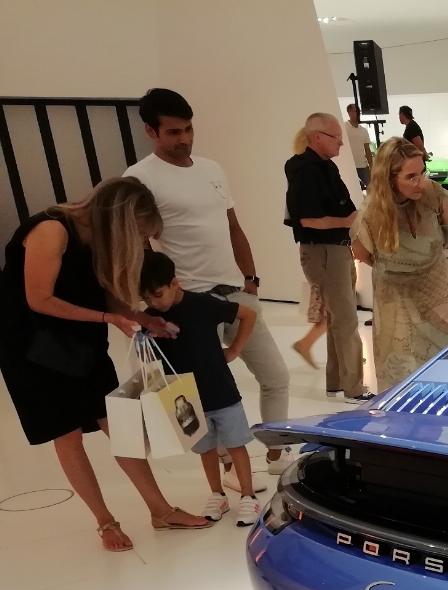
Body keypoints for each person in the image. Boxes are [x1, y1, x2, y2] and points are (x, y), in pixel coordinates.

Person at [0, 178, 211, 551]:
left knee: (118, 423)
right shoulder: (52, 230)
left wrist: (141, 319)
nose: (138, 242)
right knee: (67, 434)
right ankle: (105, 521)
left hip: (82, 343)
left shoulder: (97, 239)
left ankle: (160, 510)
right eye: (138, 232)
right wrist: (107, 319)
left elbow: (103, 293)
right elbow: (39, 299)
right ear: (121, 219)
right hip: (33, 349)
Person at [125, 87, 292, 492]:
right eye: (173, 132)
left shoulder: (212, 169)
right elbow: (139, 247)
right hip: (187, 302)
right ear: (151, 131)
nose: (184, 139)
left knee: (275, 376)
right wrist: (152, 306)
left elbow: (232, 226)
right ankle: (225, 463)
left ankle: (275, 452)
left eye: (188, 129)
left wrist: (251, 279)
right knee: (202, 394)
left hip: (234, 291)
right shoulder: (140, 178)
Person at [140, 251, 261, 526]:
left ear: (175, 283)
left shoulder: (202, 304)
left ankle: (248, 495)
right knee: (204, 448)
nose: (153, 303)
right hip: (184, 398)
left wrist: (235, 349)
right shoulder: (150, 318)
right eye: (146, 298)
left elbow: (248, 314)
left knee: (236, 444)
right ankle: (217, 494)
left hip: (221, 390)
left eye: (157, 294)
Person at [351, 137, 448, 388]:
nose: (420, 182)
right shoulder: (370, 214)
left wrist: (426, 259)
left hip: (435, 293)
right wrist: (397, 268)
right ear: (389, 178)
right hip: (396, 302)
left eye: (422, 173)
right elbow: (362, 253)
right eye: (411, 177)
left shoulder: (432, 193)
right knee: (401, 374)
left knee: (441, 370)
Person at [285, 112, 371, 402]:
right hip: (323, 251)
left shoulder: (324, 167)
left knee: (338, 319)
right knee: (345, 319)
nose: (341, 144)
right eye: (336, 137)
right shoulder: (304, 170)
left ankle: (337, 381)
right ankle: (354, 387)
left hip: (335, 249)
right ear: (317, 137)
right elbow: (305, 219)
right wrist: (347, 221)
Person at [345, 102, 374, 191]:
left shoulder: (363, 130)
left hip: (363, 166)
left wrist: (371, 166)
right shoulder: (344, 127)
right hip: (350, 166)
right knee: (353, 190)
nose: (356, 113)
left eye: (357, 111)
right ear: (349, 112)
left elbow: (367, 149)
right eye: (354, 111)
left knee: (371, 189)